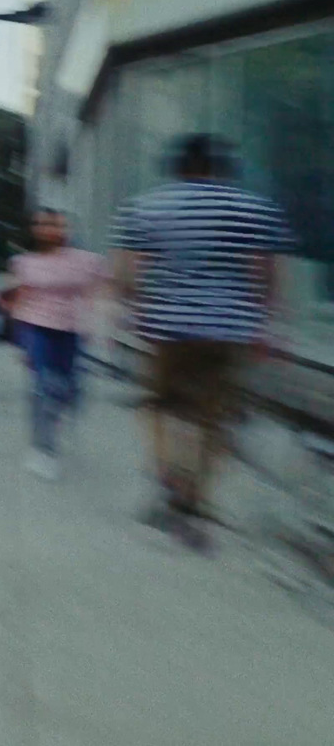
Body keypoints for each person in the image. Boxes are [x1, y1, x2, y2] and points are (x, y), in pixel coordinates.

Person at [110, 133, 295, 553]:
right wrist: (268, 325)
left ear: (178, 167)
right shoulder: (256, 209)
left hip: (168, 327)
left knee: (158, 405)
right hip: (230, 330)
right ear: (222, 168)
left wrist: (132, 310)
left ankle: (166, 471)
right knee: (214, 418)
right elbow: (268, 274)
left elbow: (125, 272)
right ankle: (196, 497)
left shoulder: (146, 207)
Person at [3, 209, 108, 480]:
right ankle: (43, 449)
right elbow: (16, 299)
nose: (46, 229)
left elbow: (104, 289)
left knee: (64, 388)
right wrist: (18, 339)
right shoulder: (24, 263)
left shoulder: (86, 261)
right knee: (42, 388)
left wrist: (102, 323)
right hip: (35, 328)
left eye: (53, 224)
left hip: (70, 331)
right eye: (40, 224)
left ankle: (64, 407)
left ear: (65, 228)